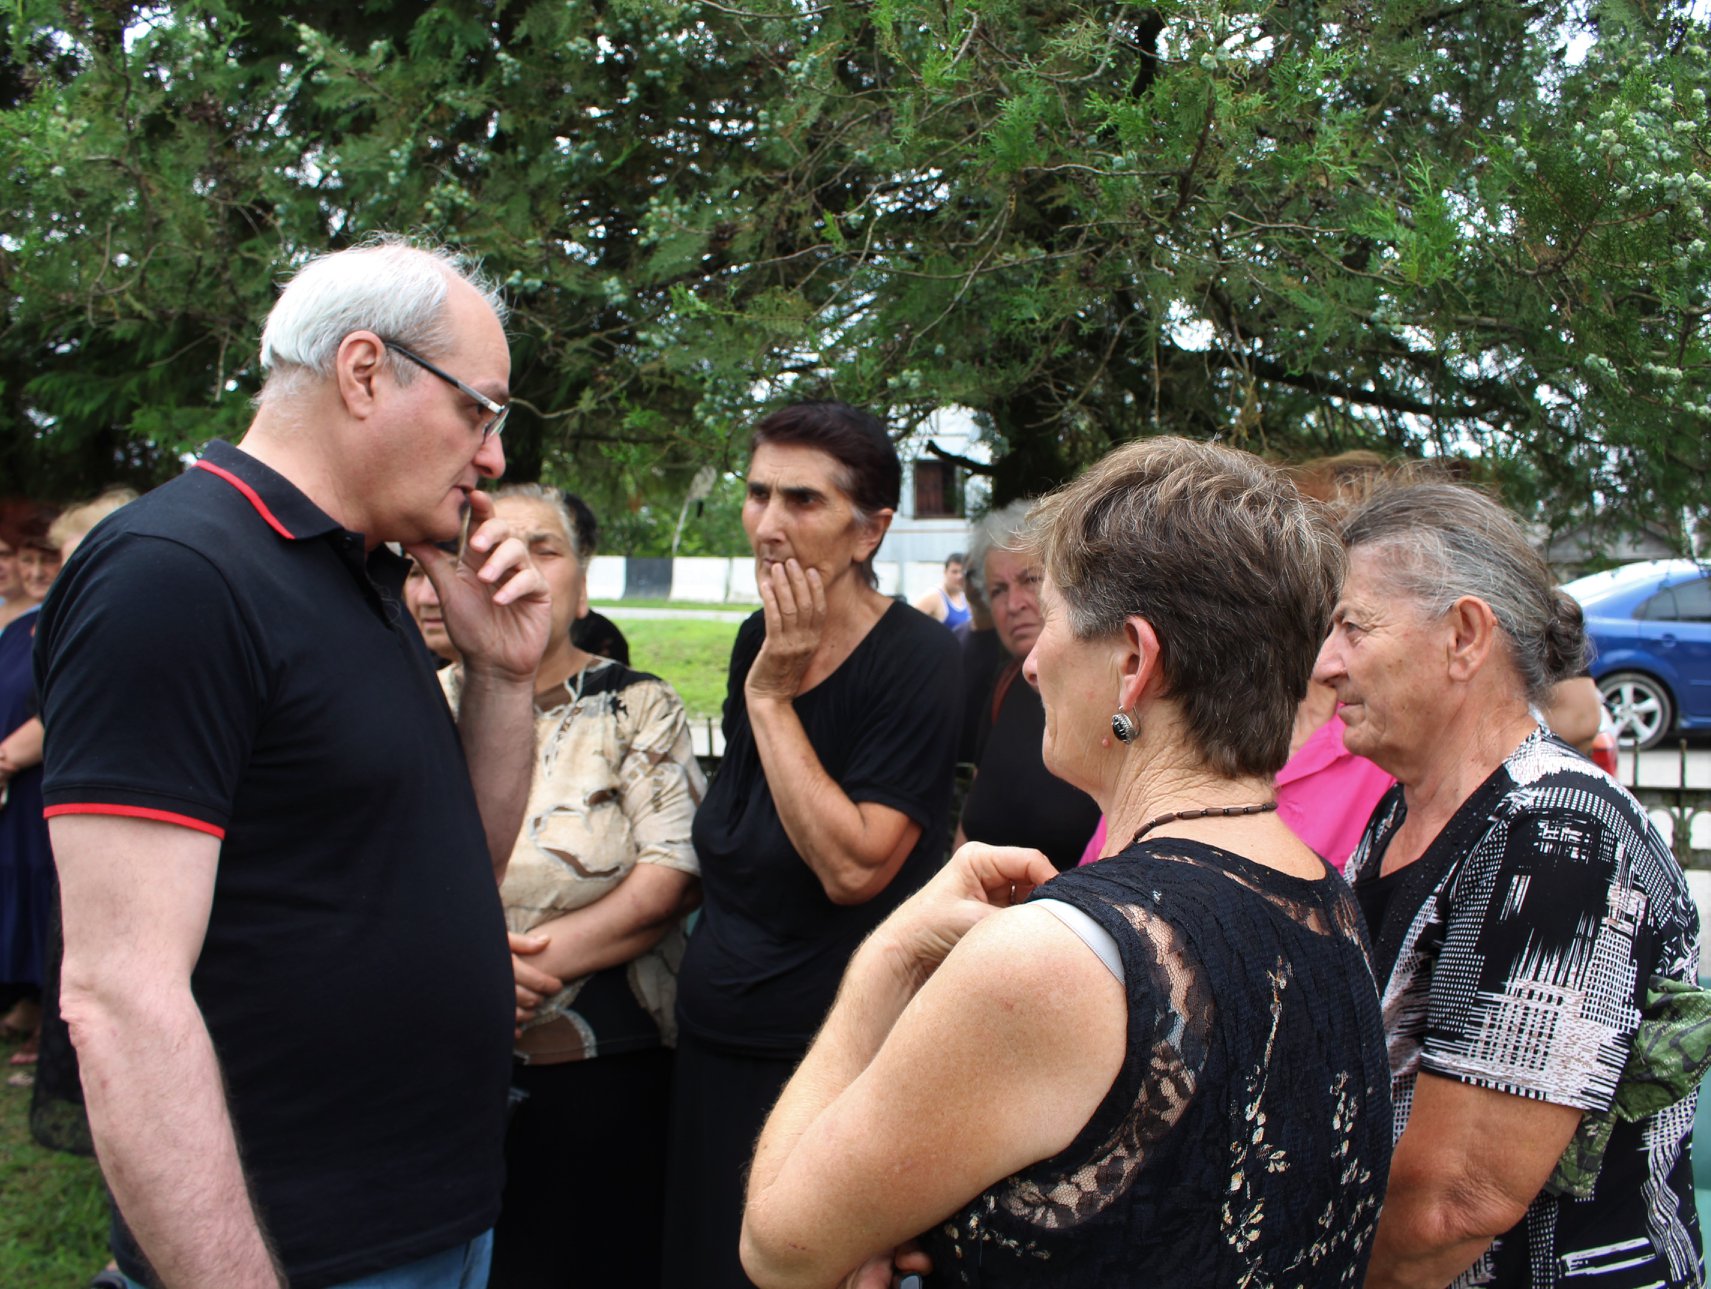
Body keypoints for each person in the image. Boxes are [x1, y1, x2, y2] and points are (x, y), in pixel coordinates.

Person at [741, 438, 1393, 1288]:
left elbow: (779, 1247)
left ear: (1132, 662)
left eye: (1050, 617)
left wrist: (885, 959)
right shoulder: (1325, 894)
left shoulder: (1058, 958)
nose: (1031, 661)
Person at [35, 236, 550, 1289]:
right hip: (297, 1246)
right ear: (364, 372)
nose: (493, 456)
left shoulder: (354, 568)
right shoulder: (176, 573)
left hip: (436, 1212)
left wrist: (502, 676)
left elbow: (457, 864)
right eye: (479, 410)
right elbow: (119, 995)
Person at [1317, 482, 1704, 1287]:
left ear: (1463, 636)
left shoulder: (1557, 839)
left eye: (1352, 626)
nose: (1325, 664)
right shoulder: (1408, 809)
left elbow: (1452, 1206)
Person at [664, 401, 962, 1289]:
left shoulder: (918, 659)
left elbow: (853, 866)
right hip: (713, 1037)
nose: (767, 524)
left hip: (825, 1058)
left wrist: (771, 699)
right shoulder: (757, 640)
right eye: (757, 494)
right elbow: (736, 832)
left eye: (802, 500)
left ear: (869, 531)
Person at [406, 483, 704, 1288]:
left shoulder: (637, 706)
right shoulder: (416, 701)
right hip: (446, 1056)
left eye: (545, 547)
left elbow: (673, 872)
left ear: (581, 582)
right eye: (494, 548)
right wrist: (475, 978)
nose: (521, 564)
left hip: (608, 1060)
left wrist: (510, 970)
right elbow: (382, 874)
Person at [956, 501, 1100, 871]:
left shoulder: (1110, 697)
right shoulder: (1005, 686)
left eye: (1029, 580)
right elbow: (970, 825)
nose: (1013, 604)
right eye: (998, 590)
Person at [0, 505, 61, 1069]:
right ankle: (22, 998)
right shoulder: (15, 626)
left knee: (43, 887)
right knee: (12, 880)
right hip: (9, 784)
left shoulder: (63, 620)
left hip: (40, 777)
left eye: (49, 559)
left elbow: (57, 708)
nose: (37, 571)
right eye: (27, 558)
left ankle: (49, 1019)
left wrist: (6, 758)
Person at [913, 551, 970, 629]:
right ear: (945, 572)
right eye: (954, 572)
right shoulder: (933, 597)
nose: (959, 576)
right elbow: (907, 624)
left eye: (962, 572)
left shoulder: (967, 596)